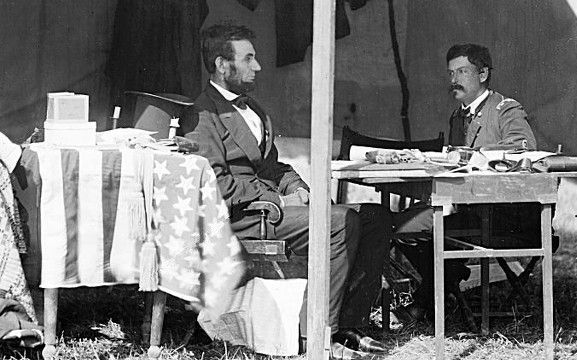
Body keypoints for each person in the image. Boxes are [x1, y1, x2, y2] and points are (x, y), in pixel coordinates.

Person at [182, 24, 391, 360]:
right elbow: (215, 184)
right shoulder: (203, 113)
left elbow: (273, 167)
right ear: (223, 65)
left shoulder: (257, 111)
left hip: (272, 209)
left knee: (376, 218)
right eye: (248, 58)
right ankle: (319, 335)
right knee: (341, 223)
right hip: (243, 218)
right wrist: (278, 199)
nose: (258, 66)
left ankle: (351, 325)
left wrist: (299, 188)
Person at [393, 43, 541, 324]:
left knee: (414, 229)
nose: (454, 80)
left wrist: (469, 156)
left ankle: (429, 298)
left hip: (510, 216)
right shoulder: (458, 117)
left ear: (483, 73)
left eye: (462, 71)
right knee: (400, 227)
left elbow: (523, 148)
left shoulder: (505, 109)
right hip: (476, 212)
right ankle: (448, 281)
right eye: (450, 73)